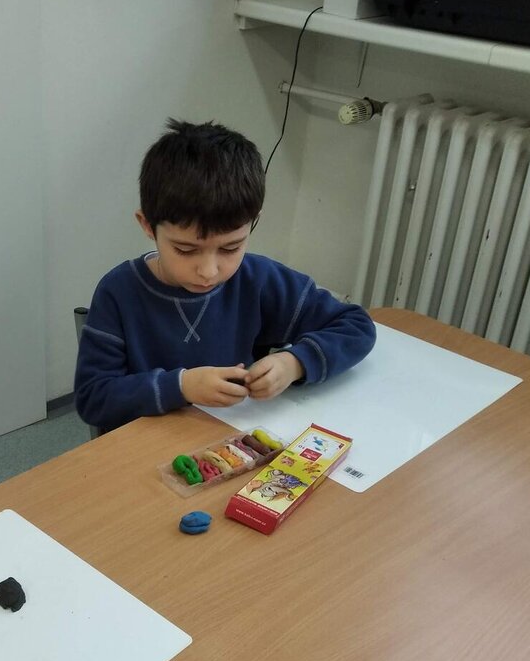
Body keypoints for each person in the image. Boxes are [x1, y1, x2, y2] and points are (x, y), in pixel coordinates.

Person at [75, 119, 375, 433]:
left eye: (231, 247)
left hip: (229, 440)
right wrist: (182, 387)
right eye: (185, 249)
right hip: (144, 447)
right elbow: (93, 397)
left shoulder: (257, 279)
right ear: (148, 226)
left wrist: (294, 363)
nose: (209, 271)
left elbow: (356, 325)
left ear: (252, 223)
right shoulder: (119, 292)